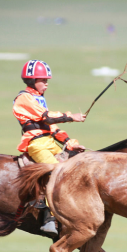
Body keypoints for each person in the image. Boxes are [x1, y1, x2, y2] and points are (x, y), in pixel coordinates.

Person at [13, 59, 86, 237]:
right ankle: (48, 216)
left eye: (47, 81)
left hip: (49, 142)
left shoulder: (39, 98)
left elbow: (51, 128)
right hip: (37, 145)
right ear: (32, 81)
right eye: (43, 80)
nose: (46, 84)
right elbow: (47, 118)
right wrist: (71, 116)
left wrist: (69, 142)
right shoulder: (24, 98)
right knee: (58, 173)